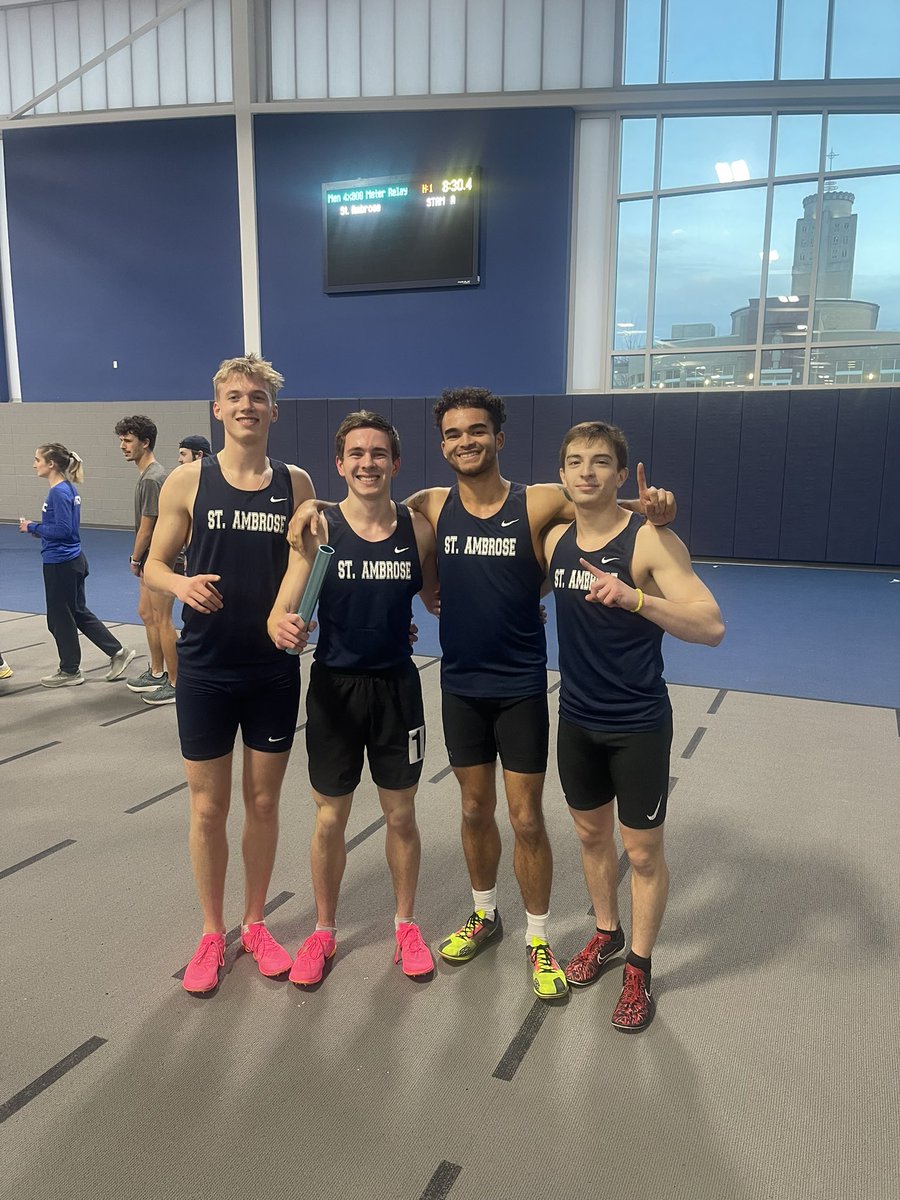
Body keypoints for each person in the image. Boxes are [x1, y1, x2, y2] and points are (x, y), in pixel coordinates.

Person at [399, 387, 675, 1001]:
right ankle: (484, 913)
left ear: (499, 437)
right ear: (442, 443)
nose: (464, 441)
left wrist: (656, 506)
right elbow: (384, 515)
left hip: (521, 686)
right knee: (473, 810)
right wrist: (425, 589)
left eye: (477, 430)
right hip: (460, 684)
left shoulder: (539, 500)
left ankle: (538, 936)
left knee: (525, 816)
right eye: (452, 433)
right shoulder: (432, 503)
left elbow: (603, 500)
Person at [143, 354, 315, 995]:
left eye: (258, 398)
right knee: (210, 808)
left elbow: (305, 565)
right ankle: (213, 932)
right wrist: (182, 582)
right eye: (235, 397)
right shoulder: (187, 482)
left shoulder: (295, 483)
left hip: (271, 670)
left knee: (264, 803)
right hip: (207, 669)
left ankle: (255, 923)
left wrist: (300, 616)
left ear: (273, 410)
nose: (247, 406)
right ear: (218, 409)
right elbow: (156, 566)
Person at [545, 421, 724, 1030]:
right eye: (575, 462)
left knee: (642, 853)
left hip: (637, 723)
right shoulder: (556, 540)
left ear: (622, 476)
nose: (586, 472)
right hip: (576, 720)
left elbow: (710, 625)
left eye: (600, 462)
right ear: (563, 473)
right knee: (591, 838)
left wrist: (636, 599)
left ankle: (639, 970)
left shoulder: (650, 540)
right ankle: (607, 933)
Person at [269, 411, 438, 987]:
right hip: (334, 691)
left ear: (396, 463)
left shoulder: (417, 529)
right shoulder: (318, 526)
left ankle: (406, 925)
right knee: (330, 816)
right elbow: (284, 606)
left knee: (401, 814)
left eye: (379, 453)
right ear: (339, 465)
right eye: (357, 454)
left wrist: (523, 605)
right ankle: (322, 931)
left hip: (397, 689)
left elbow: (440, 597)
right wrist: (281, 628)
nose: (368, 463)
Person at [17, 443, 136, 688]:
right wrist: (41, 531)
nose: (34, 464)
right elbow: (63, 528)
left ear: (51, 464)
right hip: (71, 561)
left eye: (37, 459)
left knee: (59, 618)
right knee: (77, 612)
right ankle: (117, 652)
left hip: (61, 563)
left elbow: (64, 530)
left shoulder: (58, 492)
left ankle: (70, 670)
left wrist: (32, 527)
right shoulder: (65, 489)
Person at [114, 414, 178, 705]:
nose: (123, 446)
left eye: (128, 440)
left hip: (160, 560)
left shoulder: (153, 478)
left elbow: (147, 527)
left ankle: (176, 682)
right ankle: (156, 672)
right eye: (122, 440)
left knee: (163, 619)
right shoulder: (146, 476)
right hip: (150, 560)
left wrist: (135, 558)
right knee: (147, 613)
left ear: (145, 442)